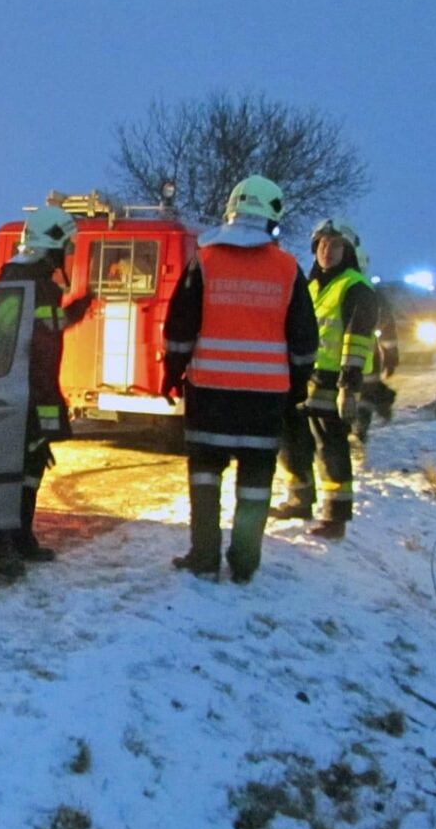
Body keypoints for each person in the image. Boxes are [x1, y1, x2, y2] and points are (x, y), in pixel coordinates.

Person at [162, 175, 318, 582]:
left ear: (231, 210)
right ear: (273, 217)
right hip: (265, 400)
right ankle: (245, 562)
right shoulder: (288, 269)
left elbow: (179, 327)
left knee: (204, 477)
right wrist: (298, 383)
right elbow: (304, 339)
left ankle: (204, 556)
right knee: (255, 484)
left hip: (209, 395)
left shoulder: (205, 261)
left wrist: (172, 372)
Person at [0, 203, 92, 576]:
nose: (68, 254)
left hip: (33, 389)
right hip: (22, 390)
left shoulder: (36, 282)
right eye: (66, 246)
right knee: (12, 468)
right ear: (52, 244)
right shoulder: (21, 281)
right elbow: (6, 336)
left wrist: (77, 310)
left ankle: (20, 537)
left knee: (31, 465)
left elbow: (47, 327)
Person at [272, 217, 378, 539]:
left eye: (334, 245)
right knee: (293, 440)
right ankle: (299, 499)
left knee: (330, 446)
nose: (326, 250)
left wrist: (349, 386)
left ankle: (335, 516)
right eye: (321, 244)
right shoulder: (312, 285)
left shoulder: (356, 287)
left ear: (348, 252)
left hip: (334, 381)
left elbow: (357, 341)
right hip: (304, 377)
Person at [352, 281, 400, 444]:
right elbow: (388, 329)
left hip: (362, 355)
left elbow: (387, 329)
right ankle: (378, 406)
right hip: (366, 355)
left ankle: (361, 426)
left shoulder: (328, 287)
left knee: (366, 392)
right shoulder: (372, 293)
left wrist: (391, 357)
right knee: (367, 391)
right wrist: (391, 358)